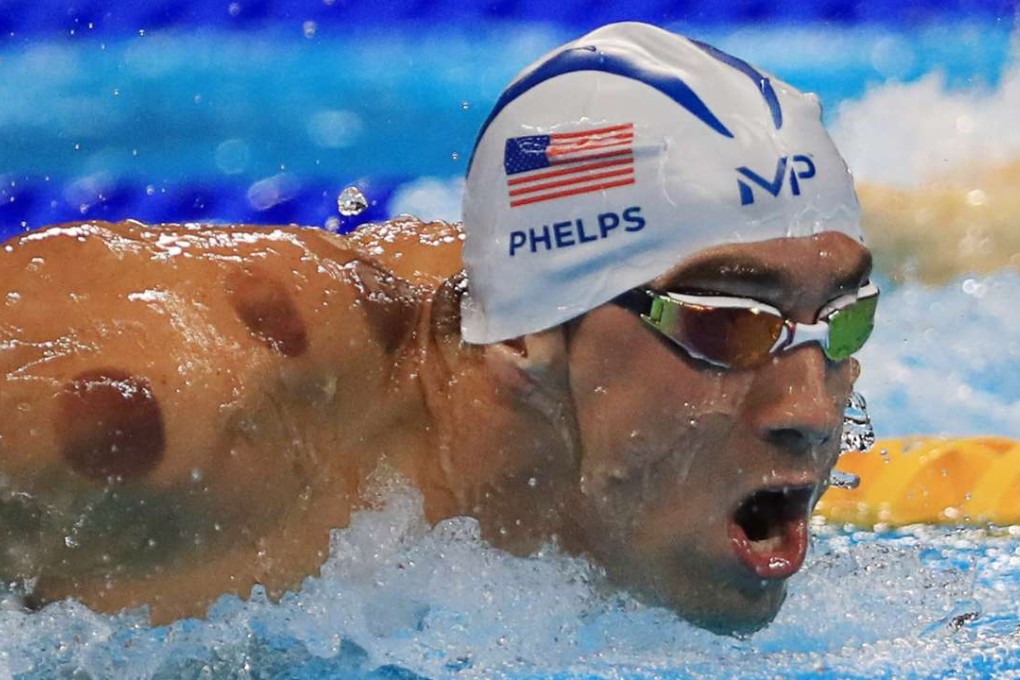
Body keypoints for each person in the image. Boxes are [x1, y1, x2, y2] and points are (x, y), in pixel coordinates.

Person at [0, 22, 876, 634]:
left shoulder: (652, 428)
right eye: (727, 325)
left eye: (842, 321)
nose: (809, 409)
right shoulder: (168, 412)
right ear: (523, 336)